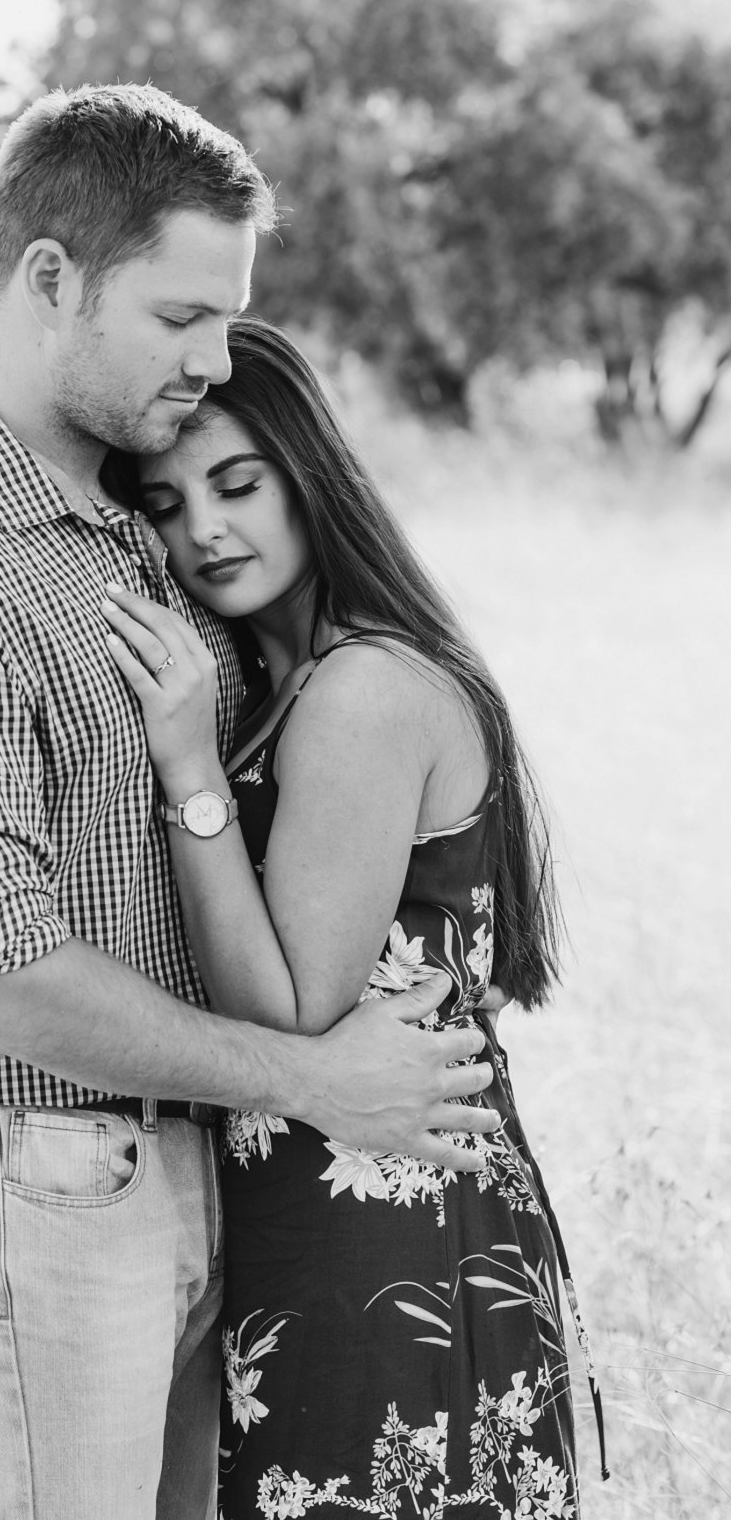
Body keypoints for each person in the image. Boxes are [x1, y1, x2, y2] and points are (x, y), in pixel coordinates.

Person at [0, 84, 501, 1520]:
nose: (215, 356)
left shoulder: (129, 523)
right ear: (51, 279)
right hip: (30, 1173)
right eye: (180, 315)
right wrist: (305, 1078)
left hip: (181, 1166)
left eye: (226, 318)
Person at [101, 316, 608, 1518]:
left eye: (238, 484)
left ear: (309, 473)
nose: (204, 529)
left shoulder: (361, 689)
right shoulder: (291, 686)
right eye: (166, 505)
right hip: (333, 1204)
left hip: (385, 1227)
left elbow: (293, 1007)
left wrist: (190, 772)